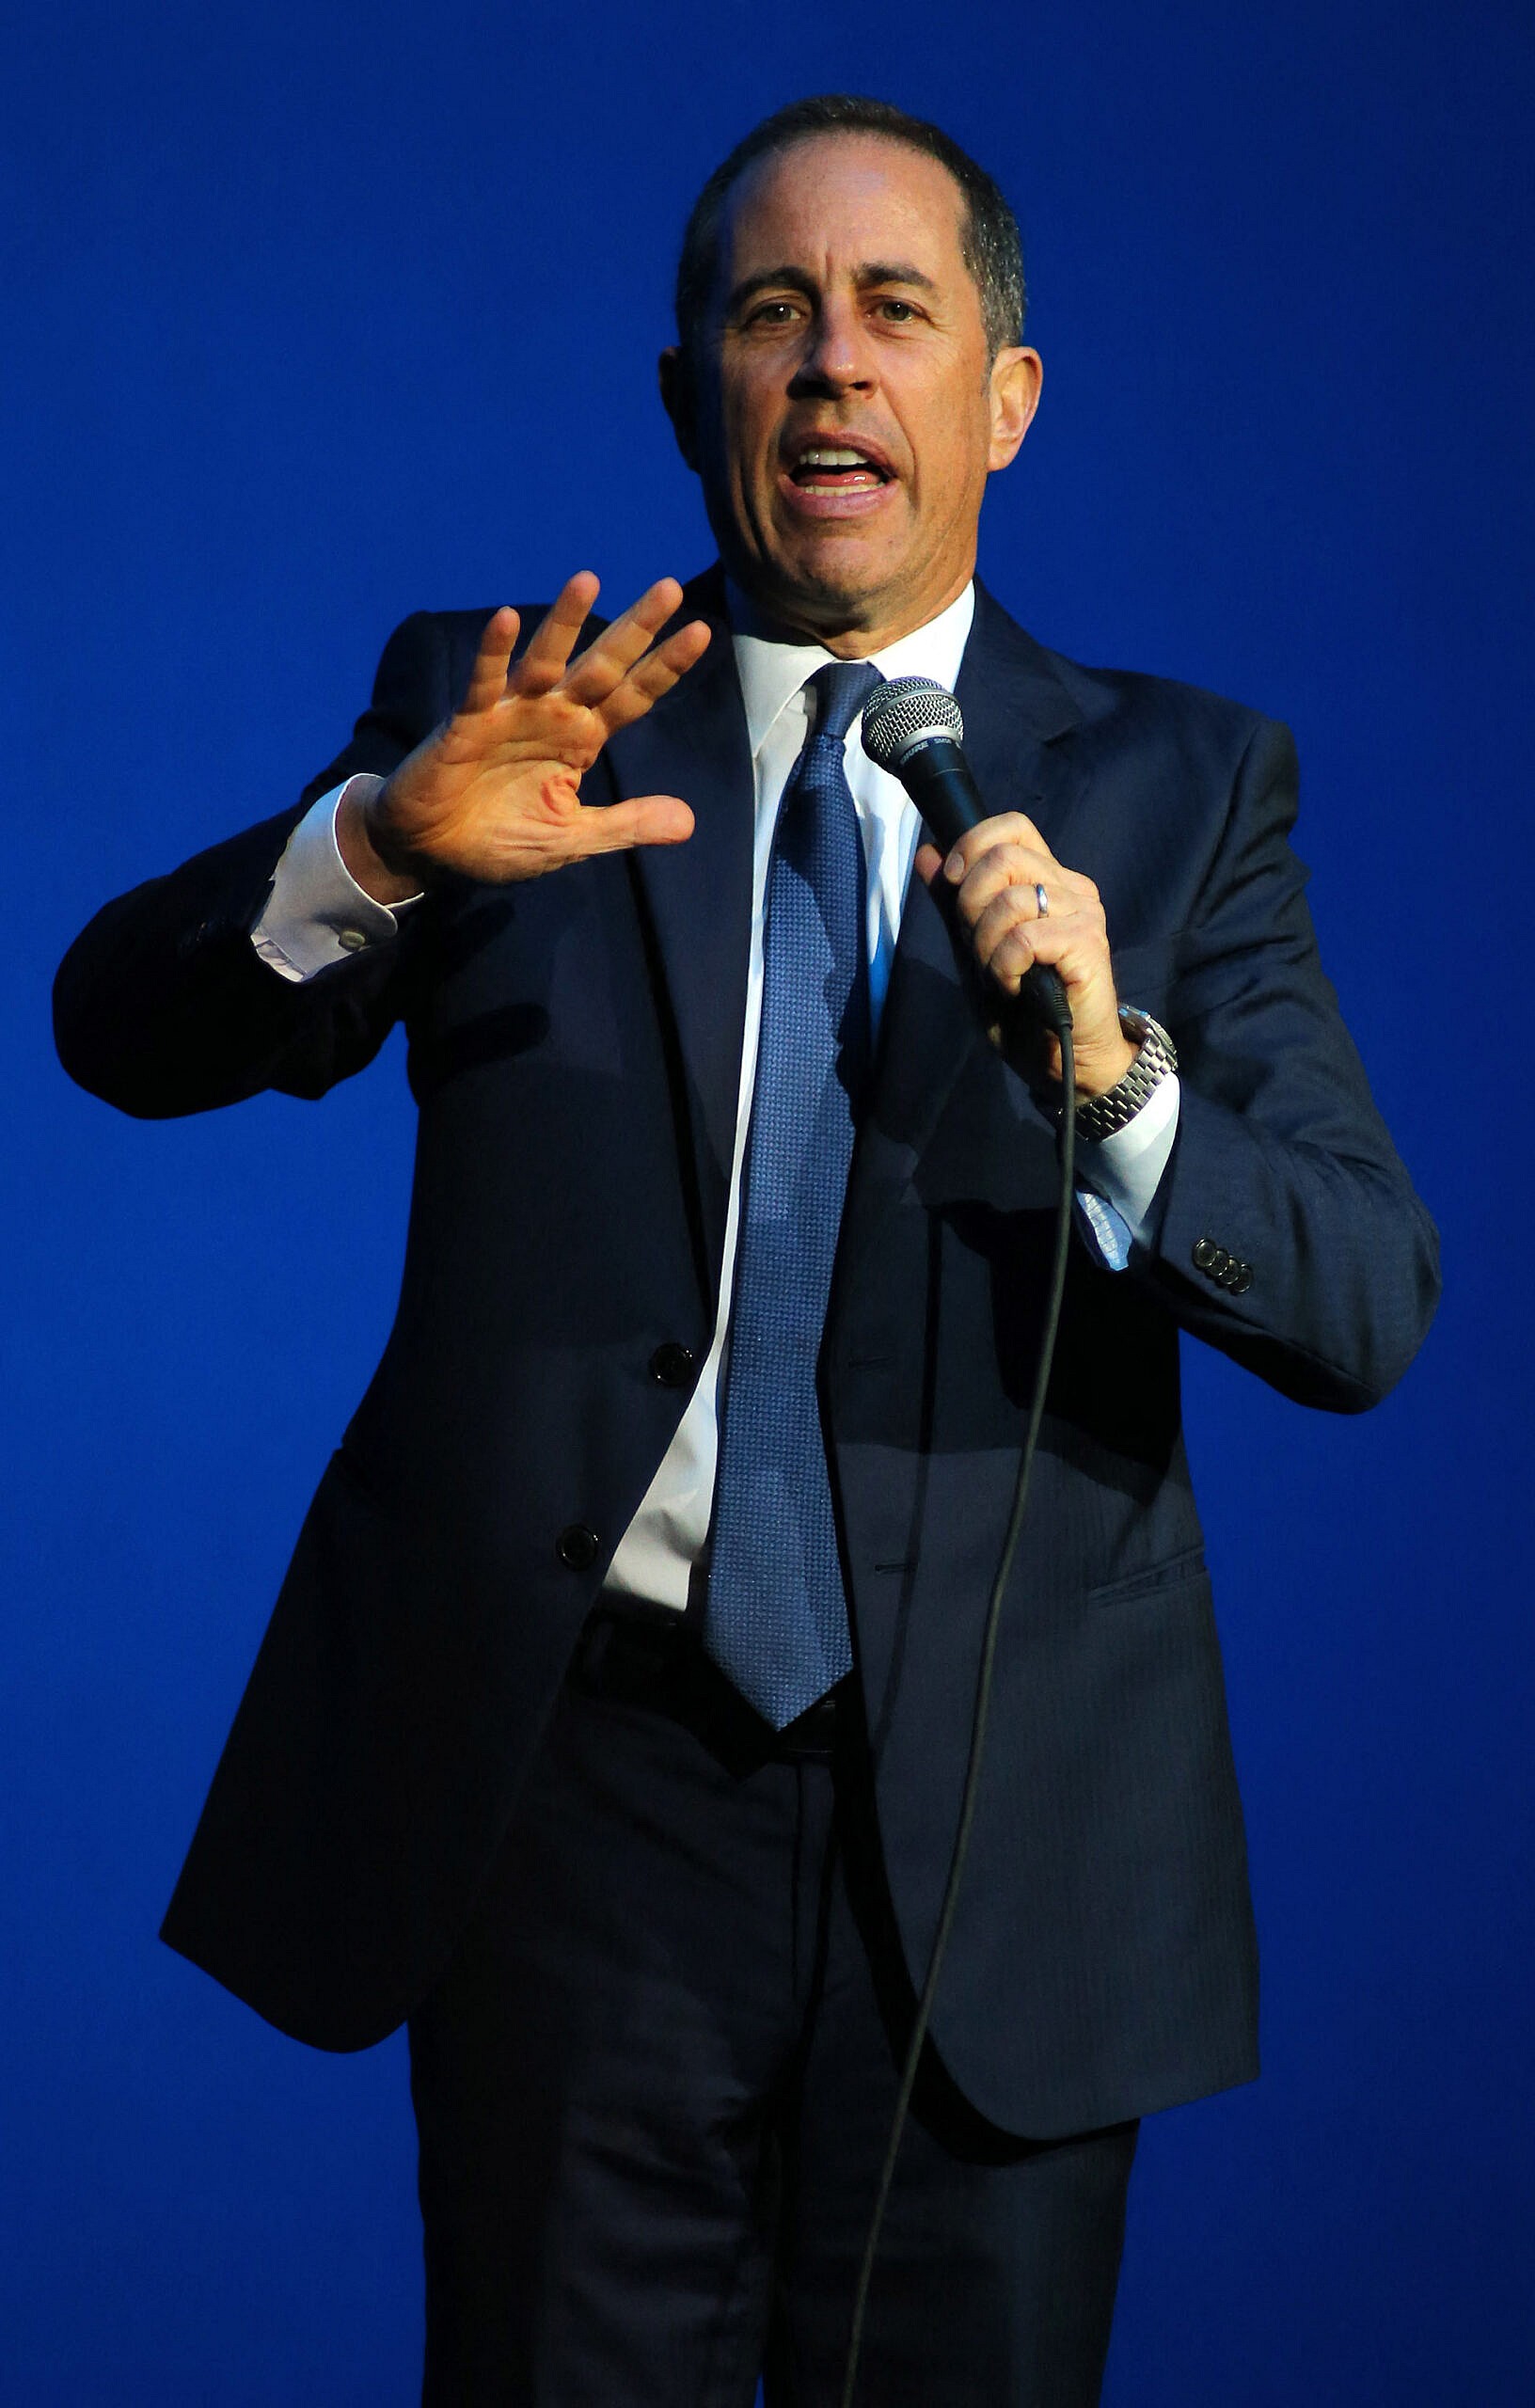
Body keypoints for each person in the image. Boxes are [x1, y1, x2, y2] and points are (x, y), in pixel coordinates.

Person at [54, 93, 1440, 2408]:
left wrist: (1116, 1080)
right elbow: (120, 1023)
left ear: (998, 395)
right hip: (573, 1814)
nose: (827, 364)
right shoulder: (509, 721)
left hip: (1006, 1852)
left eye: (893, 311)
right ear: (690, 387)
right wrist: (380, 853)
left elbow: (1360, 1299)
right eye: (767, 312)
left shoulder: (1187, 790)